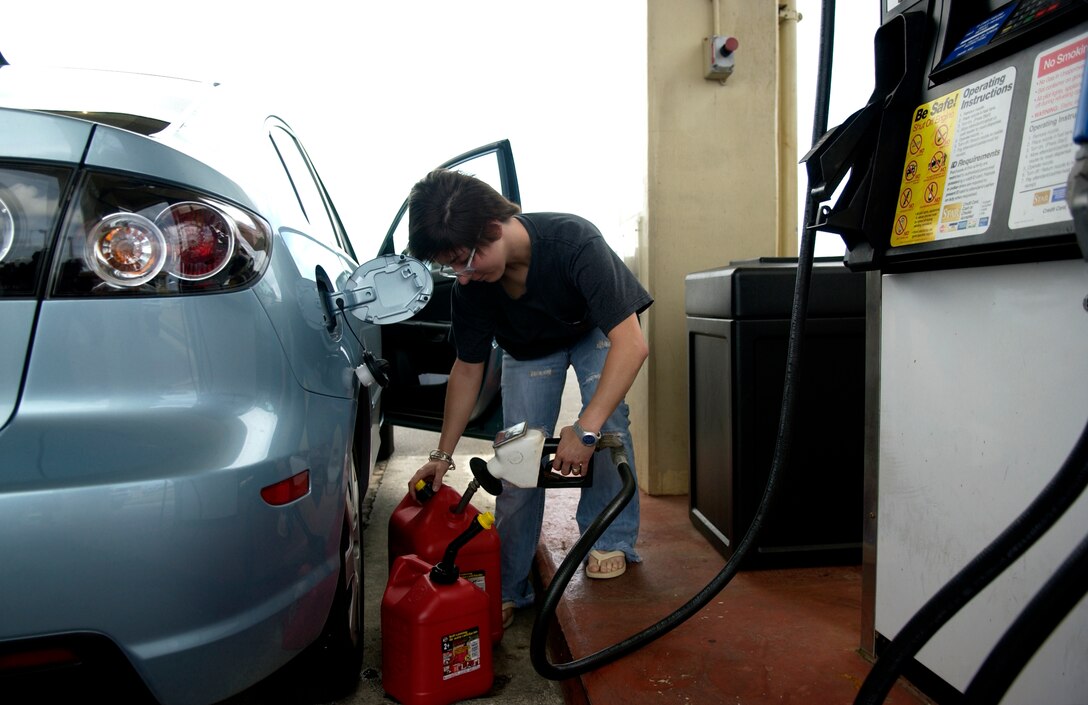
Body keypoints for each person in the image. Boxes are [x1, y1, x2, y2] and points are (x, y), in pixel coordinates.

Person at [405, 168, 652, 629]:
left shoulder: (573, 242)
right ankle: (511, 581)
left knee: (608, 426)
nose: (461, 276)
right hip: (527, 349)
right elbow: (467, 367)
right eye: (449, 266)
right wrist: (443, 454)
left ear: (493, 229)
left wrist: (585, 427)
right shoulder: (472, 286)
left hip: (593, 332)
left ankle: (610, 539)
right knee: (516, 454)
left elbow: (632, 344)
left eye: (465, 259)